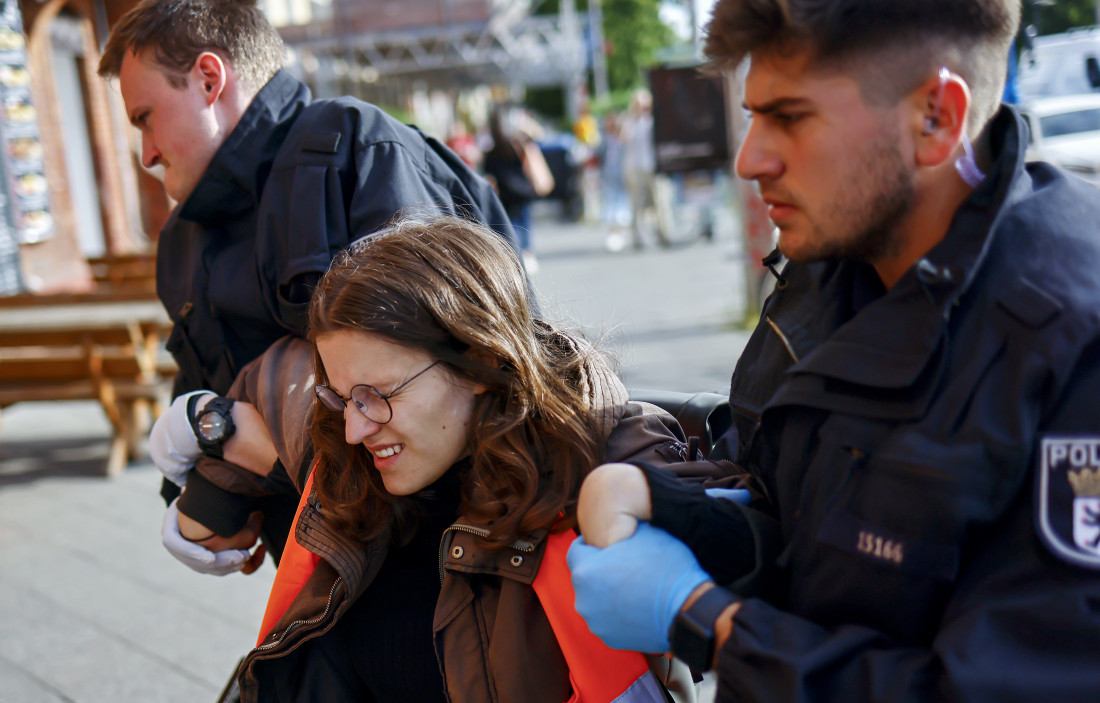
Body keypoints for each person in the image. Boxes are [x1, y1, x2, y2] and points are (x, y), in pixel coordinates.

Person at [567, 1, 1100, 701]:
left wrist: (706, 621)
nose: (749, 158)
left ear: (936, 118)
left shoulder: (1072, 340)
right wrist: (698, 520)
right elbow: (812, 532)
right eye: (753, 116)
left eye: (789, 117)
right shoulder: (831, 273)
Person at [158, 215, 698, 702]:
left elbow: (724, 540)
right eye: (342, 397)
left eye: (378, 394)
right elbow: (274, 378)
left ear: (481, 360)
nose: (353, 430)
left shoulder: (606, 467)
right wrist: (213, 428)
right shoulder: (350, 461)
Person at [97, 0, 516, 564]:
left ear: (208, 79)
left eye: (145, 117)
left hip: (444, 557)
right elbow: (205, 391)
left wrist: (247, 445)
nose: (145, 153)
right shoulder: (180, 240)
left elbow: (439, 389)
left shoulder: (355, 151)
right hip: (315, 563)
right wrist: (197, 501)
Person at [483, 106, 553, 273]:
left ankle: (519, 254)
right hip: (520, 190)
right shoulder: (516, 143)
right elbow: (538, 136)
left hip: (507, 191)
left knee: (513, 223)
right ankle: (525, 253)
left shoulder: (495, 146)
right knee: (522, 222)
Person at [620, 89, 671, 249]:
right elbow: (623, 139)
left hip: (653, 167)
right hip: (634, 168)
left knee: (660, 202)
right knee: (637, 205)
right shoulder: (628, 121)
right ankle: (637, 238)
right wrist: (632, 118)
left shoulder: (654, 120)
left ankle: (663, 234)